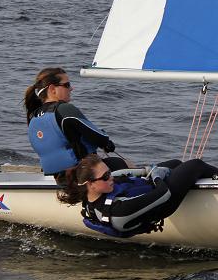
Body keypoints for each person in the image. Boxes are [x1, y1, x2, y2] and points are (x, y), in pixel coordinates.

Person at [58, 154, 218, 237]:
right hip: (164, 201)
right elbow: (163, 194)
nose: (110, 177)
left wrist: (150, 170)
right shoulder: (118, 211)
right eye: (105, 176)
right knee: (195, 165)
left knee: (175, 163)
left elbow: (128, 173)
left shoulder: (100, 187)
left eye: (108, 172)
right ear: (90, 184)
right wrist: (157, 176)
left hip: (149, 186)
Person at [24, 67, 128, 178]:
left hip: (54, 175)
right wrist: (108, 144)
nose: (71, 88)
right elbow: (100, 138)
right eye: (67, 85)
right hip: (80, 174)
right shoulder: (64, 109)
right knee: (123, 164)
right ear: (52, 89)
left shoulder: (33, 116)